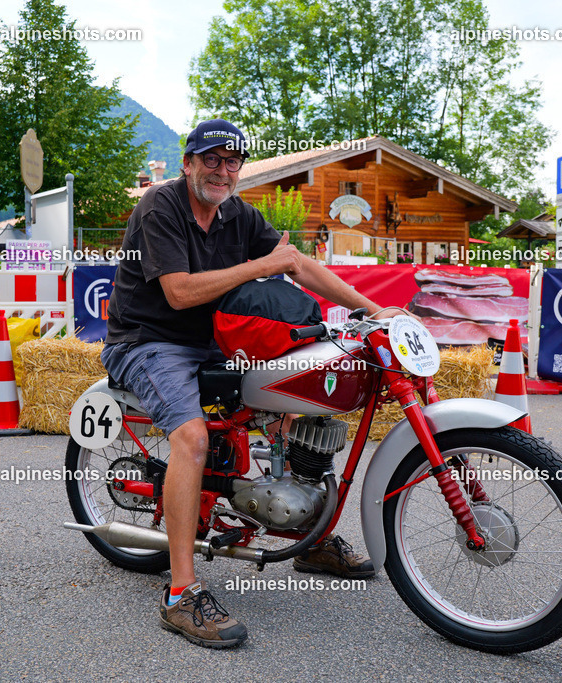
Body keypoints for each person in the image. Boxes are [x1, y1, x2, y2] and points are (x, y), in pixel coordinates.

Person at [101, 118, 398, 649]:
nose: (223, 169)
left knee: (302, 387)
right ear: (189, 163)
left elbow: (298, 266)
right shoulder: (160, 207)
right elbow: (179, 293)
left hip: (214, 339)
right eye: (211, 159)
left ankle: (304, 535)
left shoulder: (238, 213)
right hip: (147, 341)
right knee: (191, 438)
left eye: (232, 160)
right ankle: (181, 595)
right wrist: (260, 265)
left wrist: (376, 311)